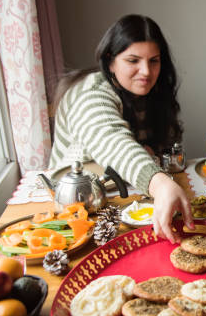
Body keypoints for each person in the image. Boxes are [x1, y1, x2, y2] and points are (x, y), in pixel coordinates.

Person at [50, 14, 194, 241]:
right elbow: (112, 140)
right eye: (133, 60)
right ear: (110, 61)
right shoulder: (90, 94)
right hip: (74, 210)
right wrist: (161, 184)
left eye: (154, 60)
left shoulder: (149, 93)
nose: (146, 71)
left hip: (122, 197)